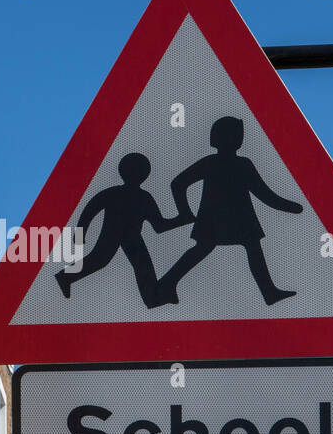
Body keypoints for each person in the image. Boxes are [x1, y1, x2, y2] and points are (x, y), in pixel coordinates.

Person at [154, 115, 303, 306]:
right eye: (235, 134)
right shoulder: (224, 163)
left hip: (231, 218)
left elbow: (263, 193)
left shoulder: (237, 164)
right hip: (227, 218)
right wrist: (184, 212)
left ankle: (269, 292)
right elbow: (178, 183)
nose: (239, 138)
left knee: (234, 247)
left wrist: (290, 206)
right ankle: (167, 283)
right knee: (228, 247)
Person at [56, 152, 186, 308]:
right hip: (113, 233)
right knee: (100, 260)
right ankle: (64, 277)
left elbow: (159, 226)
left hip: (132, 237)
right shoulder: (118, 194)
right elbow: (91, 209)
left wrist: (182, 219)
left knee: (142, 266)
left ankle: (152, 298)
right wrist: (79, 234)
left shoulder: (143, 197)